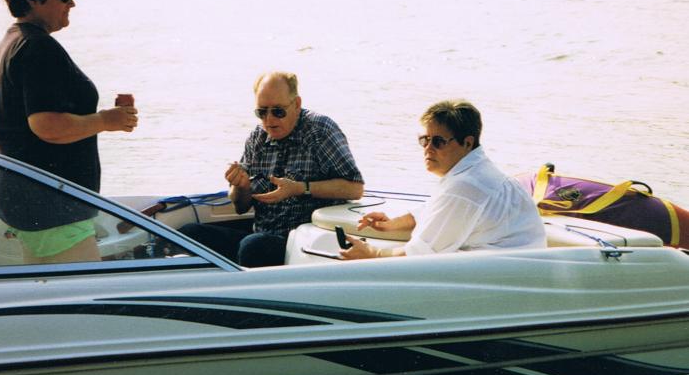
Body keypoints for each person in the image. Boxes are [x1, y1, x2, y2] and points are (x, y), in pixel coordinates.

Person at [0, 0, 139, 263]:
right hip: (49, 203)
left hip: (24, 197)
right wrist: (104, 120)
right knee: (88, 298)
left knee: (46, 288)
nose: (72, 3)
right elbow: (47, 125)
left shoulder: (13, 41)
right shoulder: (38, 47)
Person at [181, 71, 364, 267]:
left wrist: (300, 188)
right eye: (262, 112)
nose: (269, 120)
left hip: (302, 244)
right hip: (260, 235)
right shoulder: (257, 138)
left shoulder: (320, 131)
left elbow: (354, 188)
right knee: (187, 235)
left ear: (296, 104)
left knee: (253, 246)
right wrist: (241, 187)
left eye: (278, 111)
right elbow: (241, 207)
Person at [340, 99, 546, 259]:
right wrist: (391, 224)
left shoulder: (468, 185)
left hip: (504, 275)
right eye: (425, 140)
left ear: (467, 143)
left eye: (438, 141)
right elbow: (435, 211)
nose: (428, 148)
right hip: (511, 265)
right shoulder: (474, 172)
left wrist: (373, 254)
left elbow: (420, 255)